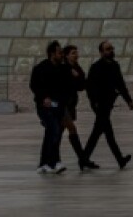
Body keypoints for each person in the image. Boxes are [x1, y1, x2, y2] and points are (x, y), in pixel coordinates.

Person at [82, 40, 133, 170]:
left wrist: (128, 100)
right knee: (107, 133)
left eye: (111, 48)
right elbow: (90, 87)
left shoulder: (115, 66)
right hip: (99, 105)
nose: (111, 51)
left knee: (98, 132)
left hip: (108, 104)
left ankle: (83, 159)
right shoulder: (96, 67)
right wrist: (94, 102)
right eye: (107, 49)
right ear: (101, 52)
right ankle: (119, 159)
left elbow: (120, 84)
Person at [28, 40, 69, 174]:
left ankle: (43, 163)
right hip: (44, 107)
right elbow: (34, 85)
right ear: (52, 53)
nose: (62, 55)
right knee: (54, 130)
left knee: (50, 133)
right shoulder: (41, 68)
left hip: (58, 107)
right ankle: (54, 162)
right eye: (59, 52)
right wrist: (43, 97)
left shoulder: (63, 69)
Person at [60, 45, 92, 170]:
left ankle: (82, 159)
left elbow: (82, 85)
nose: (76, 55)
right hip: (63, 104)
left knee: (61, 131)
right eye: (73, 53)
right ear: (66, 55)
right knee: (71, 129)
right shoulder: (63, 68)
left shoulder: (77, 68)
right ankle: (82, 159)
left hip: (71, 103)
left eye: (76, 53)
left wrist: (76, 76)